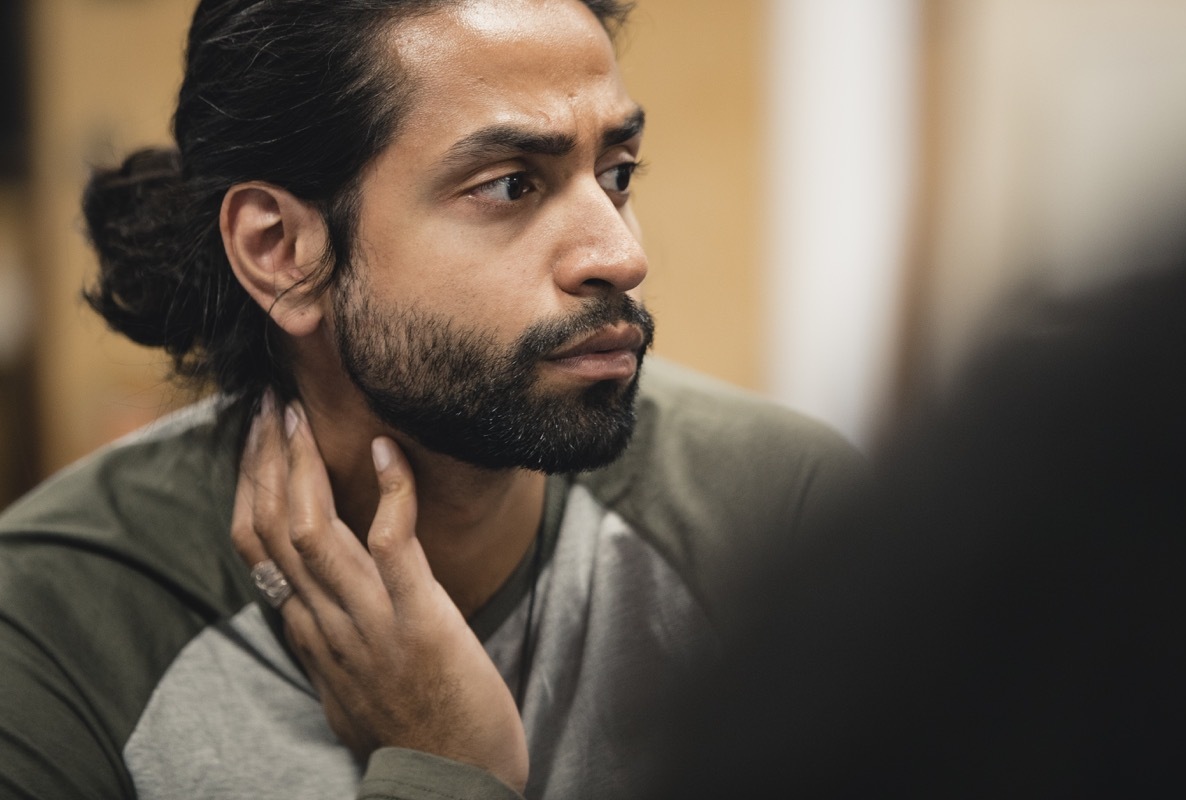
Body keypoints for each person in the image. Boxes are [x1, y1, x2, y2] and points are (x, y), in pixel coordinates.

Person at [0, 1, 865, 798]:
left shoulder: (782, 515)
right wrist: (446, 768)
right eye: (510, 184)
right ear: (282, 250)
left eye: (617, 171)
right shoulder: (50, 624)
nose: (620, 254)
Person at [648, 226, 1186, 798]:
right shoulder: (1097, 424)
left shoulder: (785, 482)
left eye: (618, 176)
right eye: (539, 183)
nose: (627, 258)